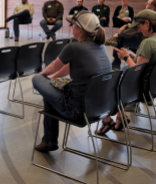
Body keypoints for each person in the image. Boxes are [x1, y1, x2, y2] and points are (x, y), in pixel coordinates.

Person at [32, 11, 111, 152]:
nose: (71, 27)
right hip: (98, 108)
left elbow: (53, 67)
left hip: (77, 111)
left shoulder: (74, 47)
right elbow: (68, 67)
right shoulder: (101, 47)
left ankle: (49, 140)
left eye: (73, 25)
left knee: (37, 79)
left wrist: (43, 76)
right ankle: (48, 141)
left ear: (80, 29)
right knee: (50, 90)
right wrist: (51, 78)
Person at [97, 9, 156, 134]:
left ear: (147, 23)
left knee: (104, 86)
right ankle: (120, 117)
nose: (138, 30)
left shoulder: (148, 42)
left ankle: (108, 120)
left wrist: (125, 57)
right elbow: (146, 64)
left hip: (141, 88)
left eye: (139, 26)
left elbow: (137, 71)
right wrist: (132, 57)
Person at [109, 0, 156, 69]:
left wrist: (126, 57)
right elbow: (135, 27)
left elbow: (138, 71)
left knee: (119, 40)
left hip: (140, 39)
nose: (146, 4)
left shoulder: (147, 43)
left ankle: (116, 64)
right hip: (155, 73)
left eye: (147, 3)